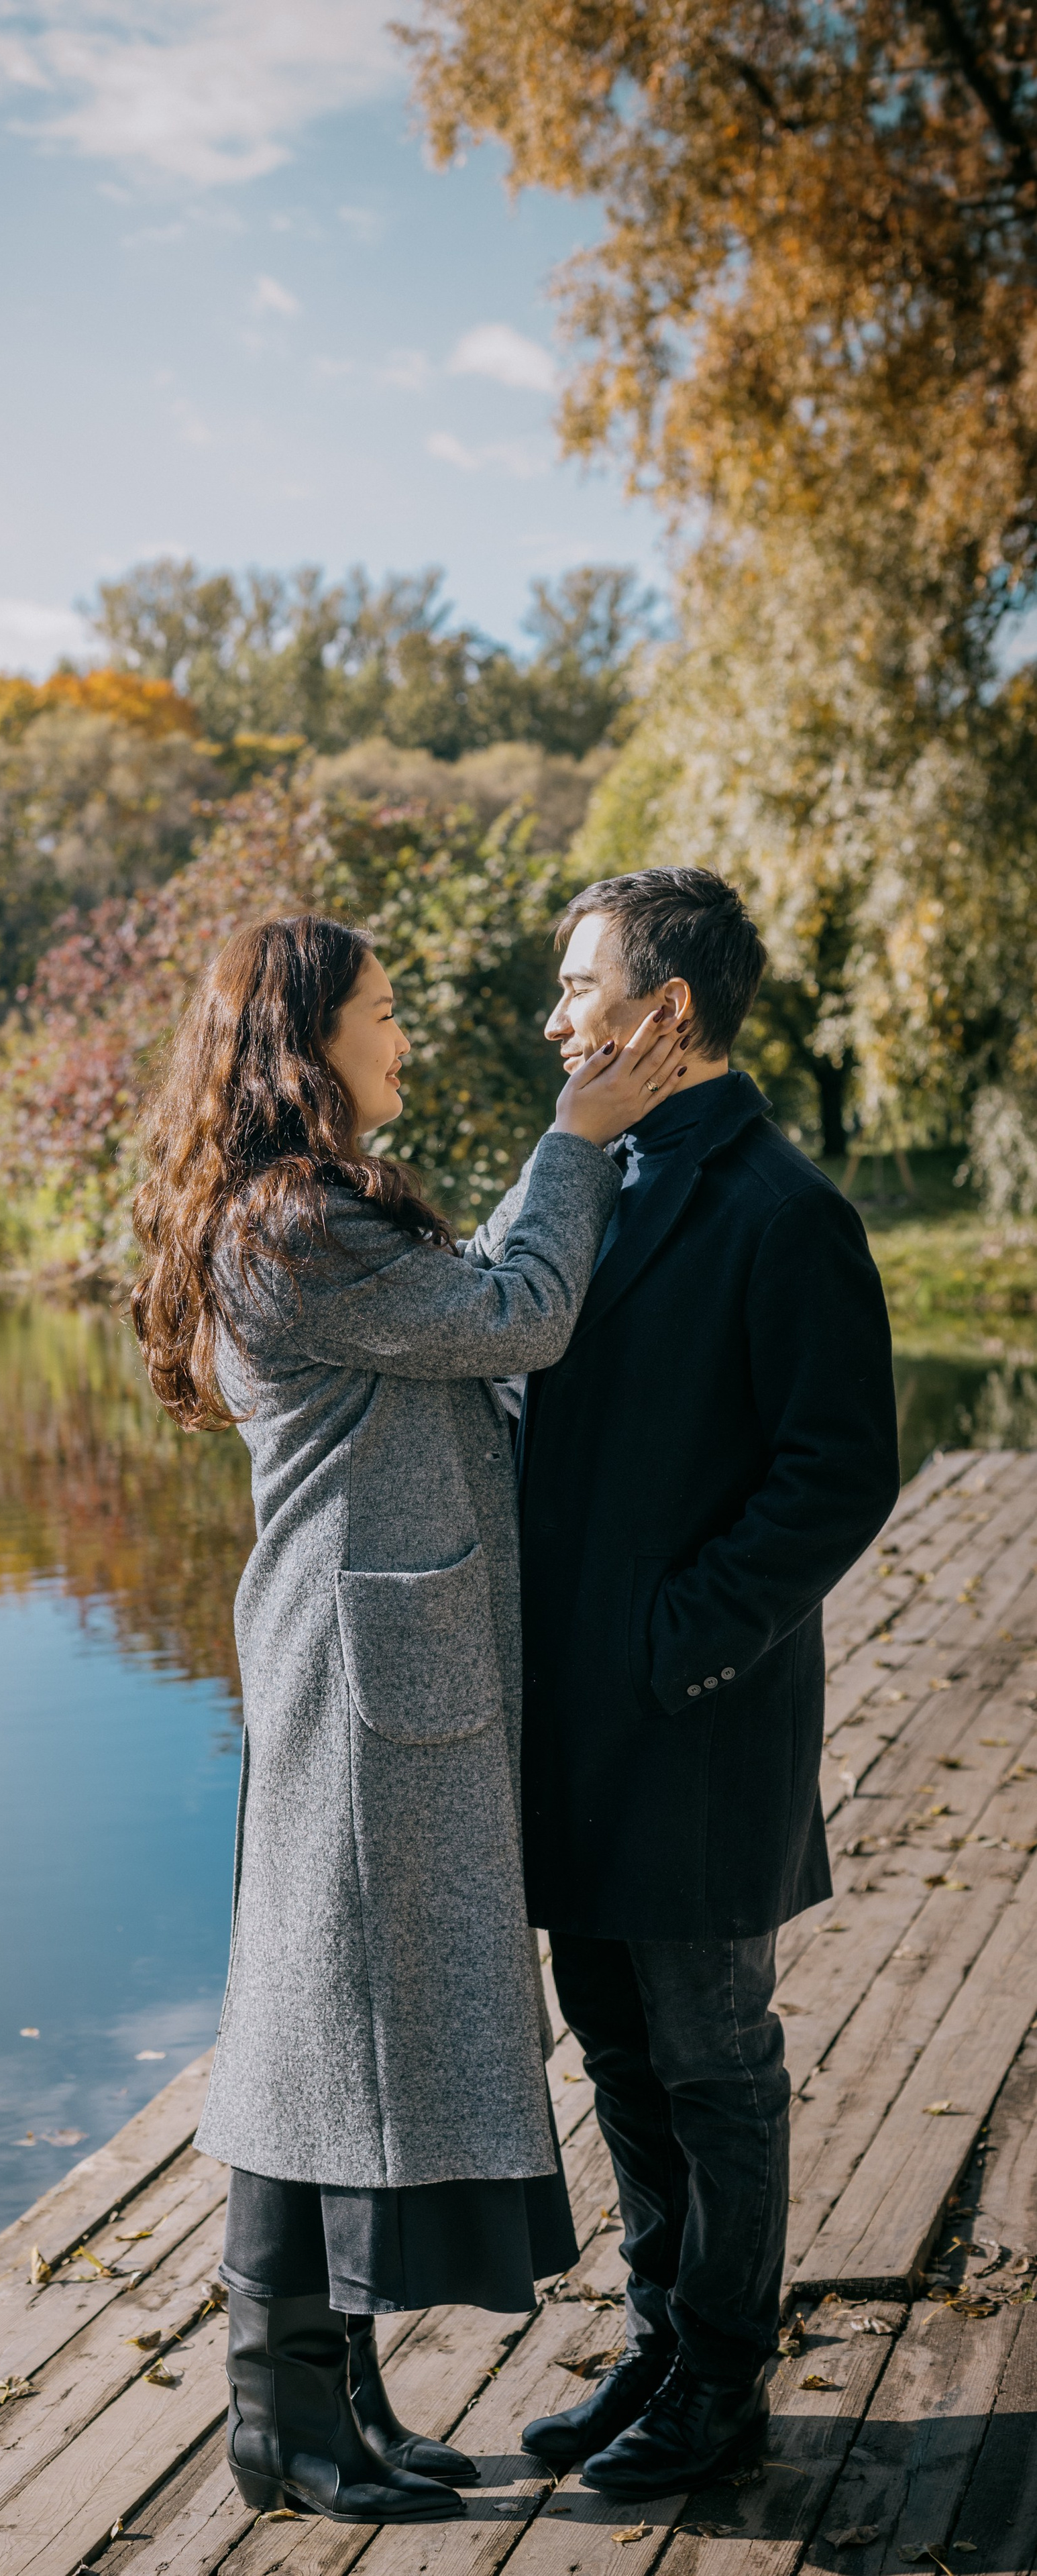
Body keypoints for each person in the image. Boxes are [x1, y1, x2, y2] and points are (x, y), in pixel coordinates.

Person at [129, 913, 688, 2524]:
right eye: (380, 1016)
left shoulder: (312, 1216)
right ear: (305, 1045)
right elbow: (520, 1318)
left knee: (325, 2027)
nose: (401, 1039)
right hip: (361, 1680)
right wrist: (578, 1139)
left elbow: (476, 1292)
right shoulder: (290, 1228)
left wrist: (565, 1149)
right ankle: (280, 2421)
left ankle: (337, 2404)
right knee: (310, 2031)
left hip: (374, 1665)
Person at [506, 869, 901, 2498]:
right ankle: (658, 2338)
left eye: (578, 984)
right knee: (612, 2051)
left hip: (691, 1720)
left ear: (662, 1012)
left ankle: (724, 2382)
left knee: (711, 2058)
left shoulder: (785, 1210)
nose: (553, 1018)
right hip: (567, 1724)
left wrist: (682, 1639)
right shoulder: (590, 1176)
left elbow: (835, 1475)